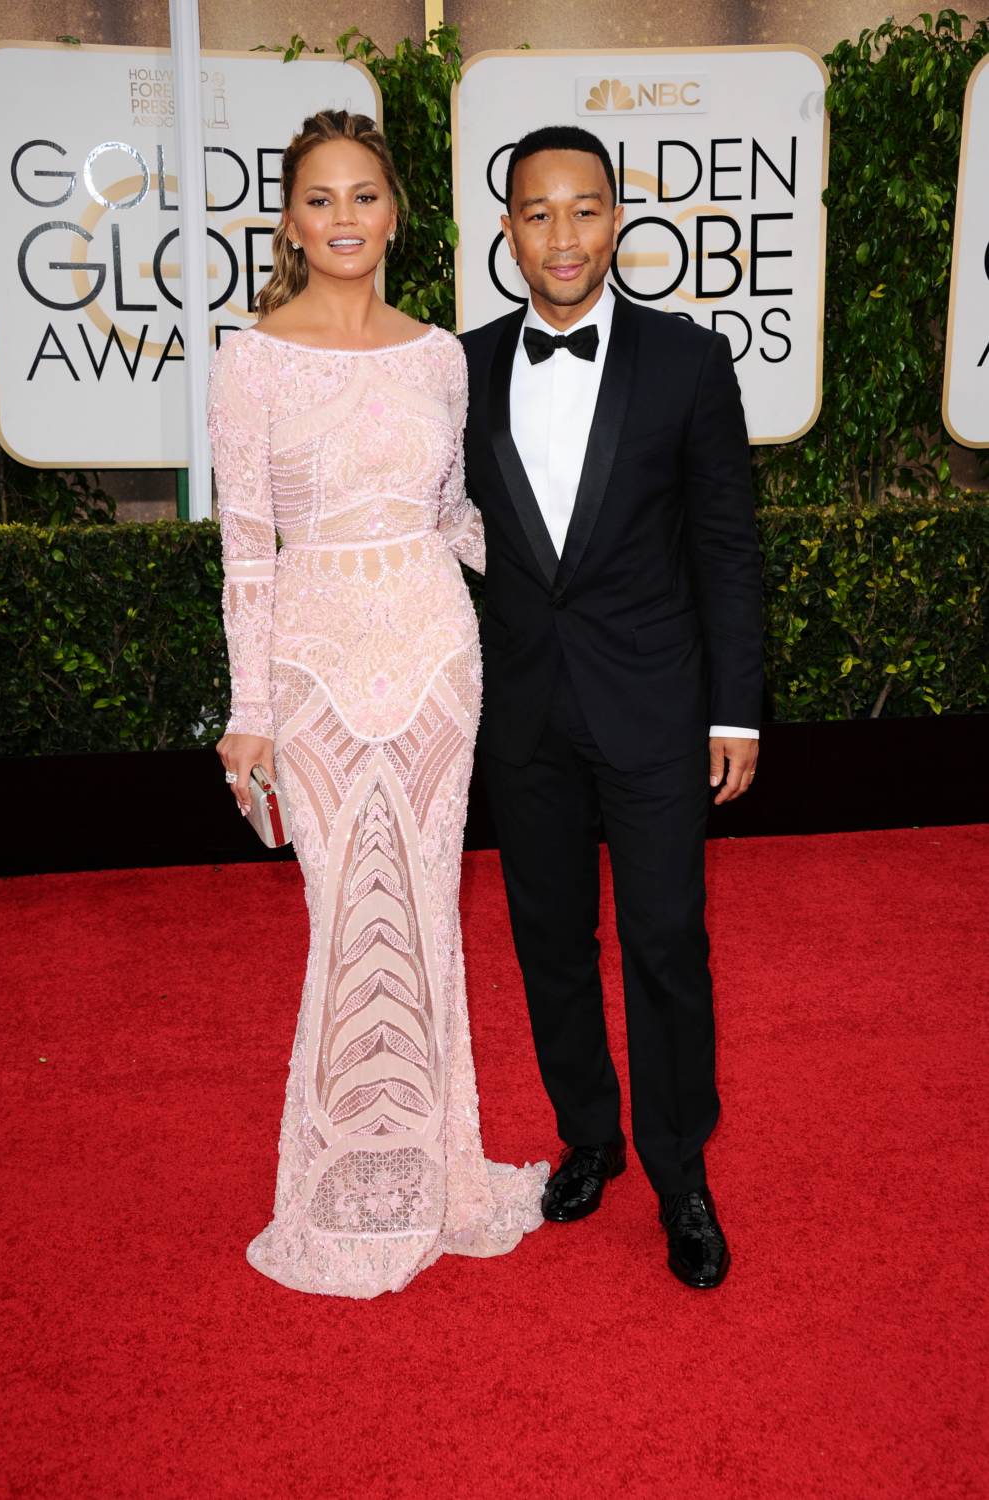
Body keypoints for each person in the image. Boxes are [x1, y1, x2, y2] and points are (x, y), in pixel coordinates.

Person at [208, 109, 547, 1299]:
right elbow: (245, 550)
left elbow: (453, 516)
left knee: (426, 913)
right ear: (291, 225)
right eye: (320, 199)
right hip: (312, 670)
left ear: (394, 212)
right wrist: (249, 708)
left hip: (434, 658)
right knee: (346, 915)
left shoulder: (438, 357)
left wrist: (574, 568)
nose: (343, 217)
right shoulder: (249, 360)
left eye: (363, 195)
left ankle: (434, 1174)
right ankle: (341, 1180)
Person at [459, 126, 763, 1289]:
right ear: (507, 230)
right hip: (523, 711)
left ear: (615, 223)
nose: (562, 236)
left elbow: (724, 547)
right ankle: (587, 1132)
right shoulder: (461, 368)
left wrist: (734, 711)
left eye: (583, 210)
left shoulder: (686, 361)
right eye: (537, 213)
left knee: (664, 940)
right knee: (547, 938)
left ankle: (680, 1174)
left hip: (652, 704)